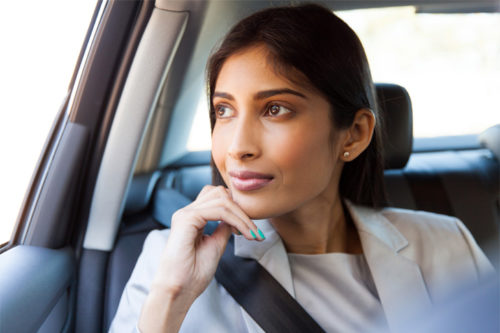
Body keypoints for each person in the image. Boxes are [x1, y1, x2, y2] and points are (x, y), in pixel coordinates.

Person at [110, 4, 494, 333]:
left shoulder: (447, 245)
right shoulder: (169, 259)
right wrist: (170, 299)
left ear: (354, 135)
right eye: (223, 111)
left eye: (275, 109)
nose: (238, 148)